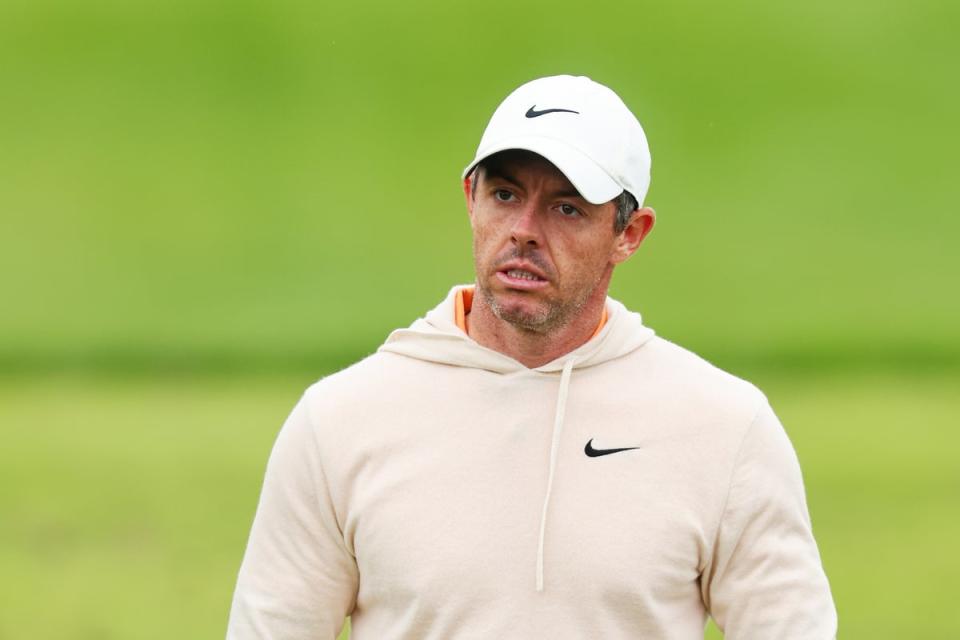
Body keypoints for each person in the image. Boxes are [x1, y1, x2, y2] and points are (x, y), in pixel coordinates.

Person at [227, 75, 837, 639]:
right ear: (471, 198)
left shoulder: (725, 427)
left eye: (566, 208)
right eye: (504, 193)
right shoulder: (338, 422)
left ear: (630, 233)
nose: (523, 229)